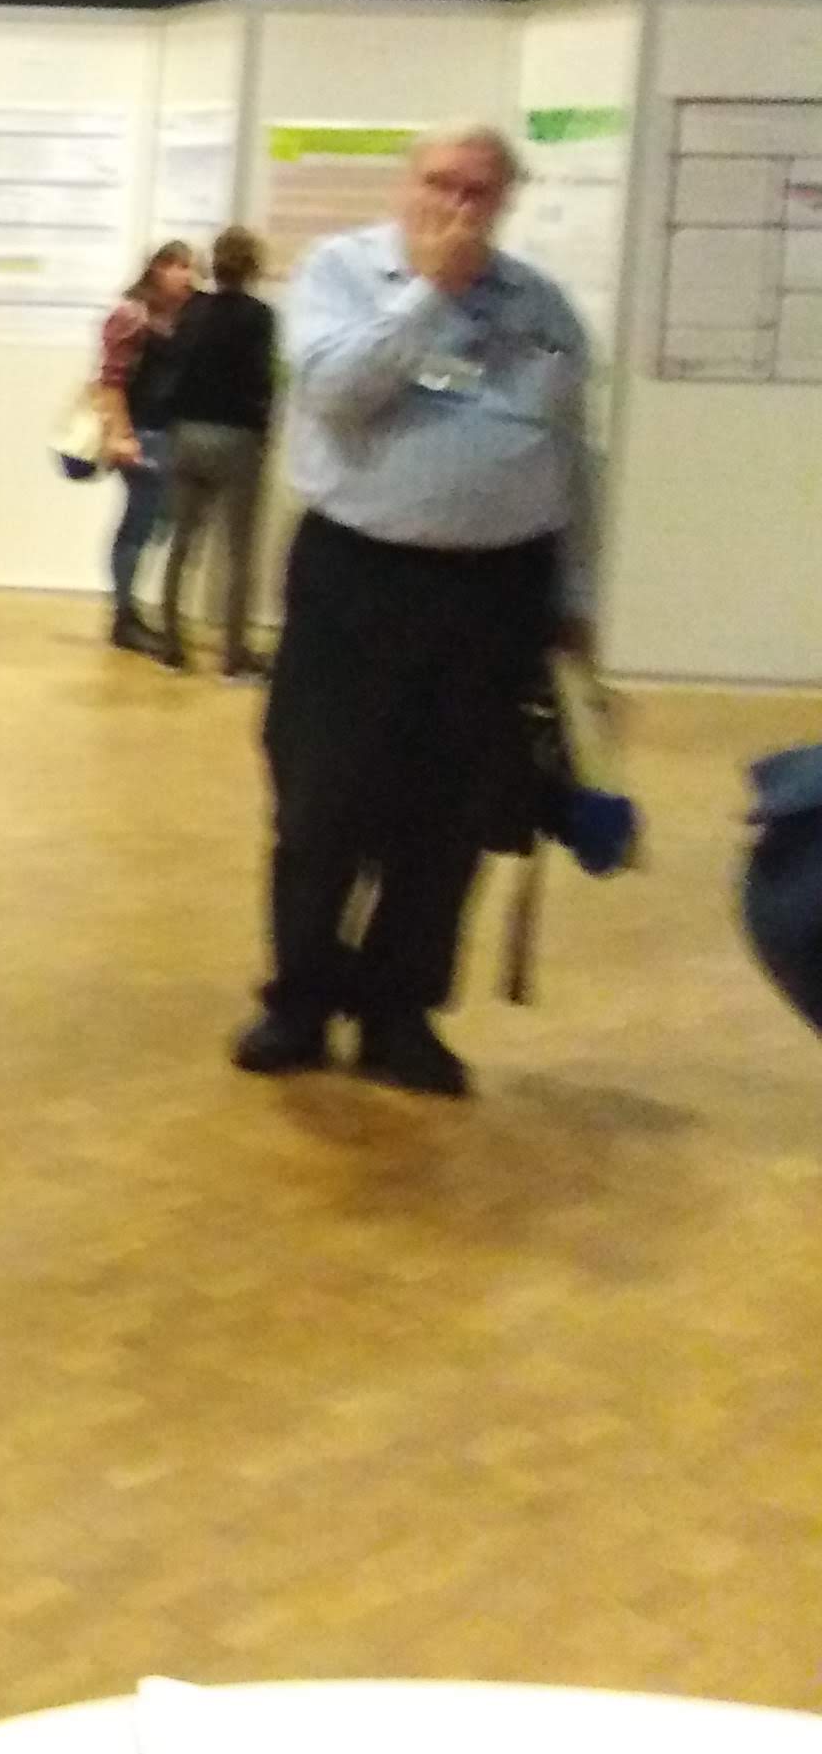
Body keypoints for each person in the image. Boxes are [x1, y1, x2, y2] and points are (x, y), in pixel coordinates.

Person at [232, 127, 595, 1097]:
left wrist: (574, 598)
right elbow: (332, 395)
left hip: (496, 592)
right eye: (441, 184)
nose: (458, 206)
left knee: (450, 817)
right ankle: (299, 1001)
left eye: (480, 191)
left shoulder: (542, 307)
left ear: (505, 199)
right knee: (321, 803)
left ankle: (400, 1013)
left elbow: (571, 460)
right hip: (358, 581)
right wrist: (429, 290)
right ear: (406, 184)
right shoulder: (340, 274)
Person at [150, 226, 277, 677]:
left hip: (187, 434)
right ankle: (234, 656)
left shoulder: (193, 309)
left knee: (182, 544)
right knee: (239, 550)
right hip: (238, 438)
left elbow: (175, 368)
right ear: (253, 267)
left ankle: (171, 645)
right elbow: (262, 381)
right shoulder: (260, 316)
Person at [95, 238, 197, 651]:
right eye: (180, 266)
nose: (188, 276)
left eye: (191, 268)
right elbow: (112, 380)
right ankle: (124, 613)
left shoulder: (184, 317)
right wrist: (121, 434)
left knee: (154, 521)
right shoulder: (132, 315)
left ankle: (129, 608)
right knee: (138, 523)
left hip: (168, 430)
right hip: (141, 431)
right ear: (158, 268)